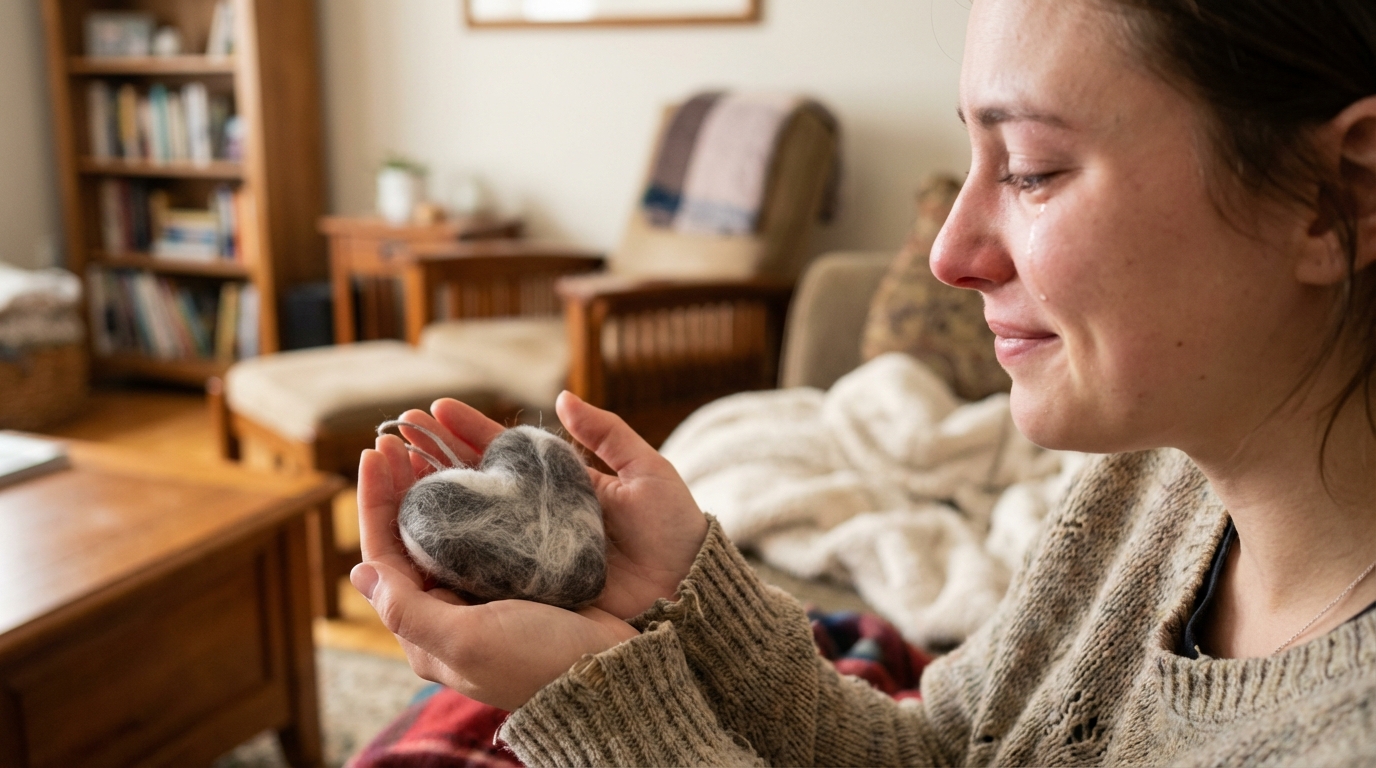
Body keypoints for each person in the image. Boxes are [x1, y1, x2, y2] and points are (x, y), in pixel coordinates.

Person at [348, 0, 1376, 763]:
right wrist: (680, 598)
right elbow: (949, 753)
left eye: (1029, 168)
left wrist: (603, 714)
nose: (948, 254)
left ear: (1340, 197)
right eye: (970, 156)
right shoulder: (1150, 483)